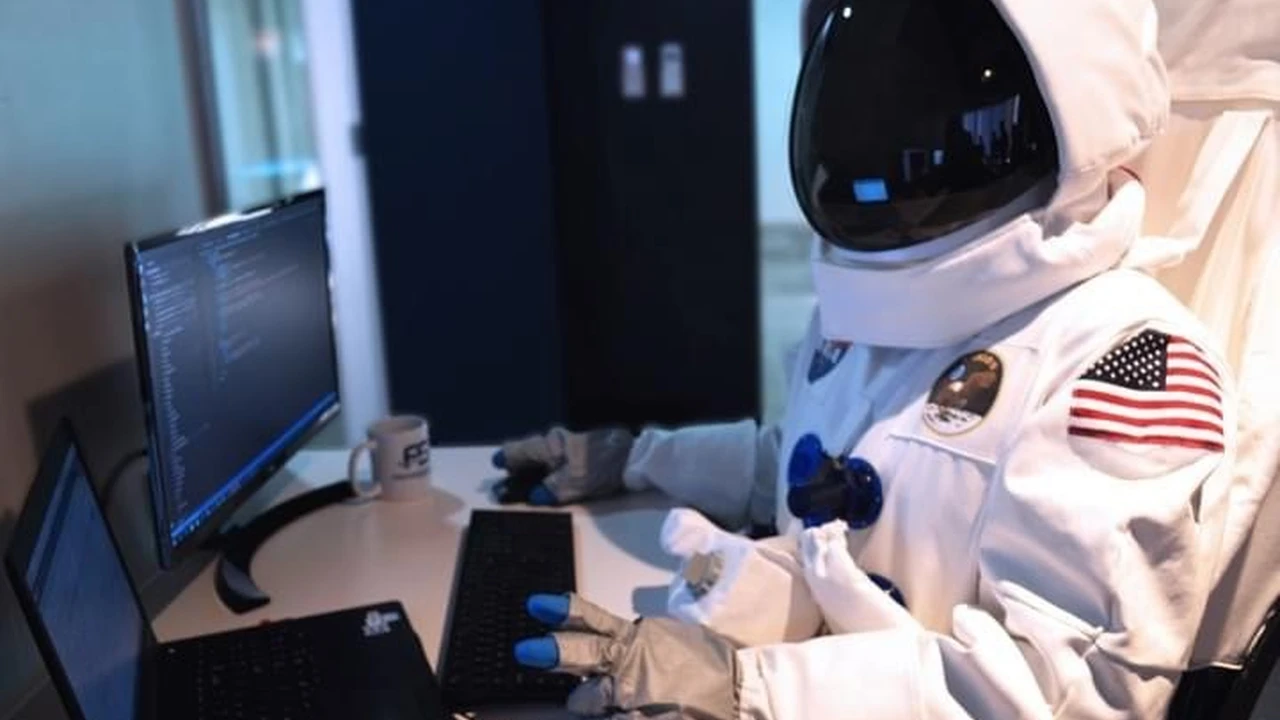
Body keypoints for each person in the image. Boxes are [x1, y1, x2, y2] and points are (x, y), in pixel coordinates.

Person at [492, 0, 1248, 717]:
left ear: (1075, 99)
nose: (883, 124)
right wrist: (636, 460)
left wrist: (749, 692)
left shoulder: (1123, 359)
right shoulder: (872, 305)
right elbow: (791, 468)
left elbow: (1068, 692)